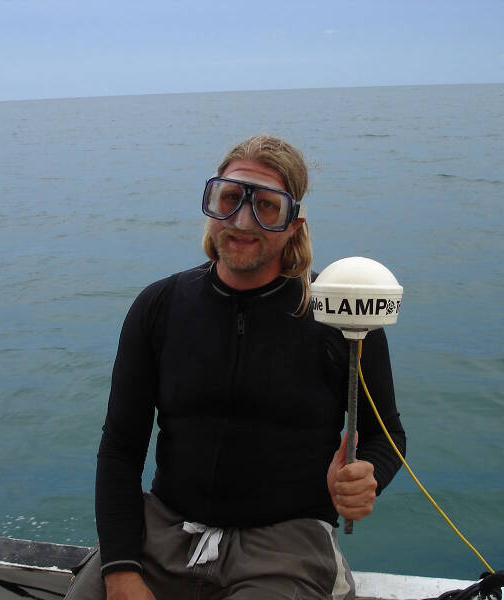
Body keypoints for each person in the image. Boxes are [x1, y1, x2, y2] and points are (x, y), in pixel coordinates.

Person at [66, 135, 406, 600]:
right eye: (229, 199)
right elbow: (121, 449)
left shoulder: (337, 315)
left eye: (267, 206)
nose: (242, 221)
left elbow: (385, 435)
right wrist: (122, 570)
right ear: (211, 205)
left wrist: (366, 475)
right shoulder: (160, 307)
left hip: (287, 545)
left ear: (294, 224)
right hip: (166, 532)